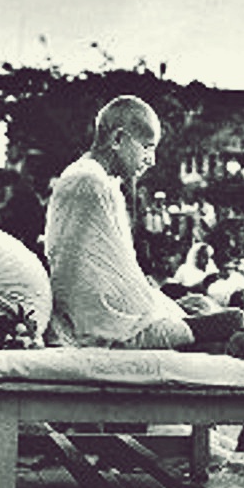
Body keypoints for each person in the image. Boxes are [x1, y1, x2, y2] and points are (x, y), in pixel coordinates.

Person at [44, 96, 194, 348]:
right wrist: (165, 312)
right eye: (147, 147)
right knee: (236, 319)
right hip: (104, 327)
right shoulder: (90, 182)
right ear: (117, 139)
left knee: (197, 304)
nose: (152, 160)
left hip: (97, 317)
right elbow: (117, 288)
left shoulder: (93, 177)